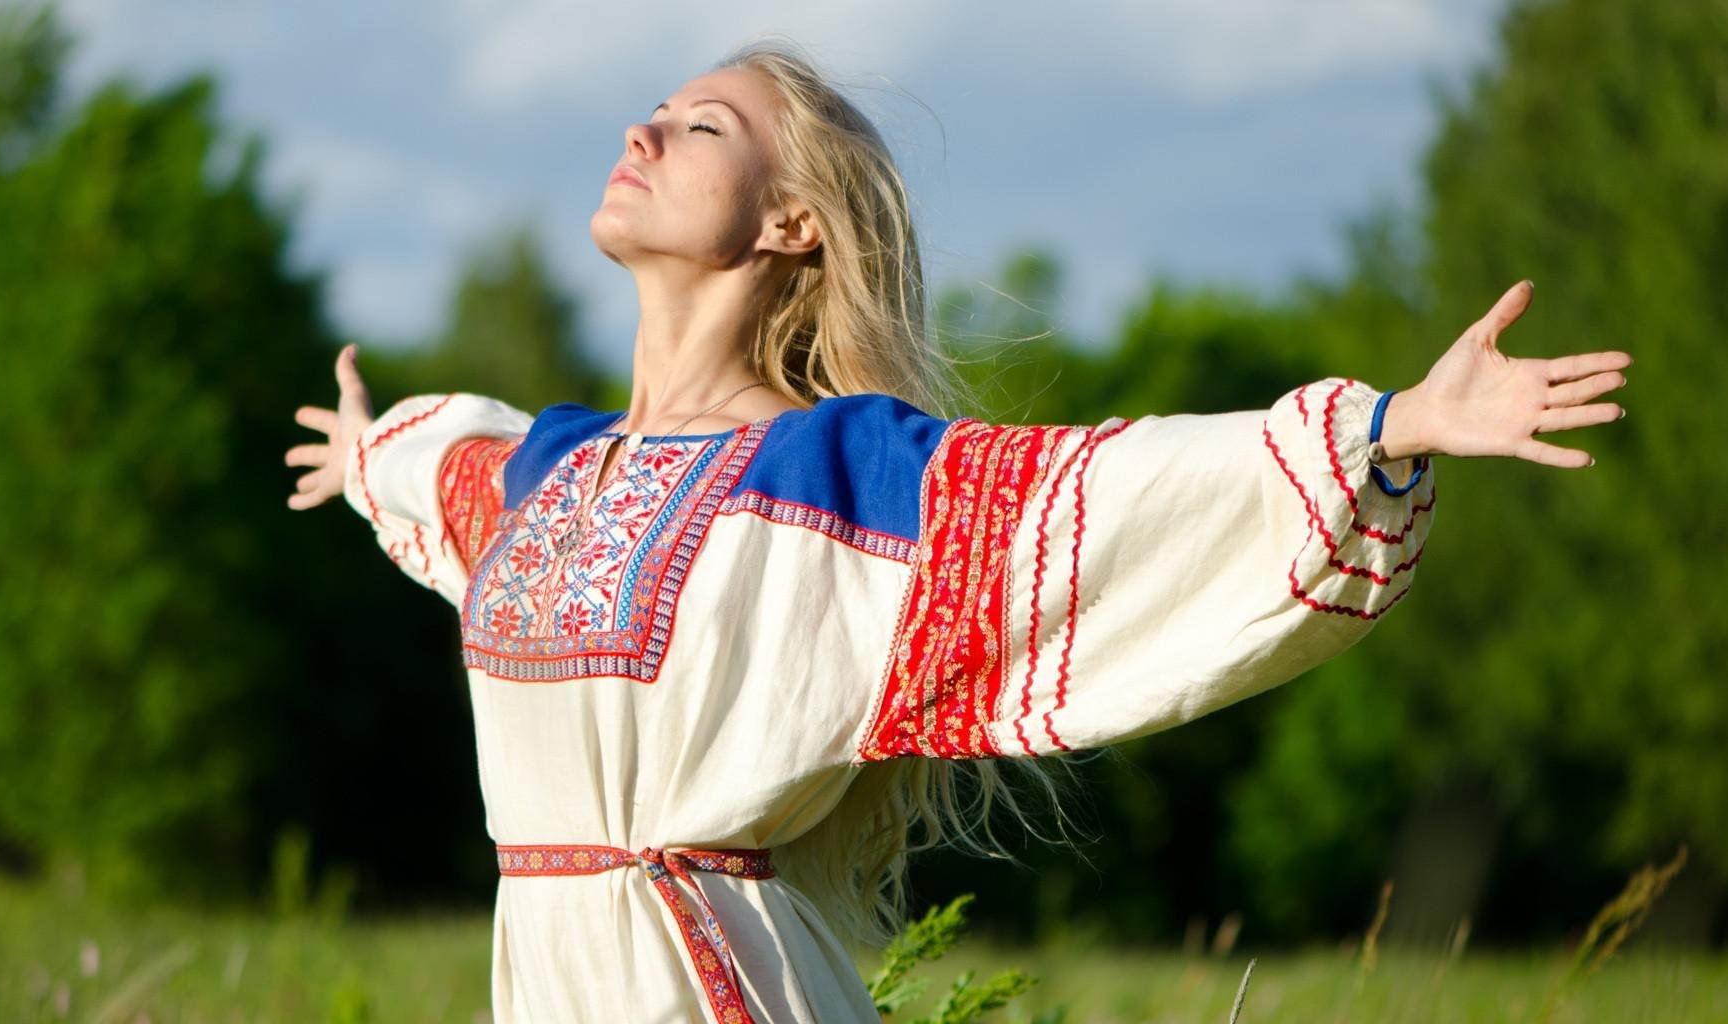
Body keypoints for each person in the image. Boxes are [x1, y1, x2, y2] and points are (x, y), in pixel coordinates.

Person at [283, 41, 1629, 1024]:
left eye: (697, 128)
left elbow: (1114, 497)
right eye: (646, 115)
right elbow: (433, 471)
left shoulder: (843, 482)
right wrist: (363, 455)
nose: (639, 135)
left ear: (790, 221)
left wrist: (1383, 427)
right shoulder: (543, 475)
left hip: (701, 988)